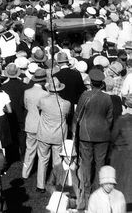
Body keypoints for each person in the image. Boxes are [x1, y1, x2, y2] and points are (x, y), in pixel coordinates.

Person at [74, 68, 113, 203]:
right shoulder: (107, 97)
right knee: (100, 163)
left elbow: (77, 115)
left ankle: (87, 192)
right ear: (101, 83)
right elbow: (109, 118)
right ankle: (98, 191)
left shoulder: (85, 95)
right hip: (103, 134)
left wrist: (75, 130)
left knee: (86, 163)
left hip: (86, 134)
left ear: (91, 82)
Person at [36, 77, 71, 193]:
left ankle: (40, 185)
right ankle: (57, 183)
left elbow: (39, 109)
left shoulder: (43, 101)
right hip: (58, 135)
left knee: (42, 159)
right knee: (57, 161)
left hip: (44, 134)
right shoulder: (66, 103)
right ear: (59, 90)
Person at [109, 94, 132, 210]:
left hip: (121, 155)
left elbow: (113, 137)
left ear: (125, 106)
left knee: (121, 182)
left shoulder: (121, 120)